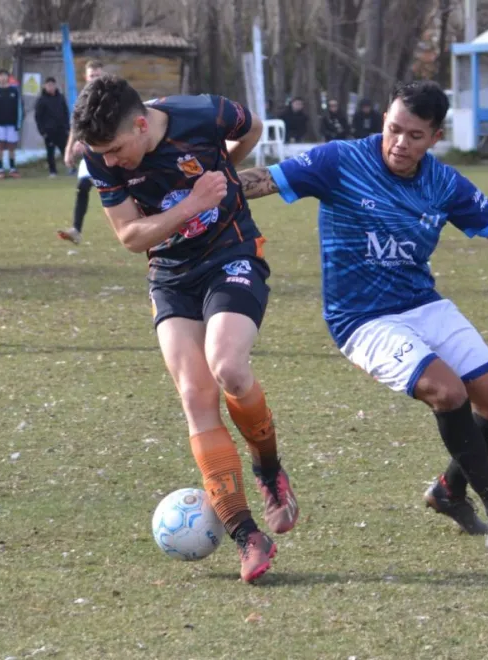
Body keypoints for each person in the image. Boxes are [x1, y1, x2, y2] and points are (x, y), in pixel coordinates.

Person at [236, 80, 488, 552]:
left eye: (415, 135)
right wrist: (193, 195)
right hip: (361, 318)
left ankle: (449, 491)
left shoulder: (444, 183)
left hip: (424, 305)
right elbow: (261, 181)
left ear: (436, 136)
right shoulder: (340, 161)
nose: (399, 143)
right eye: (394, 130)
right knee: (448, 391)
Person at [71, 74, 299, 582]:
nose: (110, 162)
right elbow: (130, 235)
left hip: (231, 252)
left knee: (229, 367)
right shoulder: (98, 154)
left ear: (140, 122)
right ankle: (247, 536)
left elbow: (253, 126)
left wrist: (224, 173)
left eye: (116, 149)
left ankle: (268, 469)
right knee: (195, 395)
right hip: (171, 275)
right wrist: (194, 201)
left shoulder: (203, 114)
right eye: (100, 152)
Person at [58, 60, 105, 244]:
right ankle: (76, 230)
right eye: (91, 75)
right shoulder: (82, 99)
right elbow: (75, 126)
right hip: (91, 152)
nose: (94, 78)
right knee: (83, 186)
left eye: (97, 75)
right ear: (86, 77)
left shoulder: (109, 97)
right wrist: (69, 149)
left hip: (108, 151)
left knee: (121, 189)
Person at [0, 69, 23, 178]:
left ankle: (12, 168)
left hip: (12, 124)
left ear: (8, 77)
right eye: (0, 76)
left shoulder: (14, 91)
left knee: (12, 146)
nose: (2, 78)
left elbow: (19, 108)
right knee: (0, 146)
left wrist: (18, 123)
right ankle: (0, 169)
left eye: (4, 76)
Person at [34, 77, 70, 178]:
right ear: (45, 86)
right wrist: (42, 131)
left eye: (52, 85)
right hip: (49, 131)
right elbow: (38, 117)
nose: (51, 87)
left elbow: (66, 113)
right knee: (50, 152)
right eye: (48, 85)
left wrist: (67, 127)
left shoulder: (61, 97)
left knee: (65, 150)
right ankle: (52, 171)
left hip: (61, 129)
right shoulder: (41, 100)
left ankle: (70, 167)